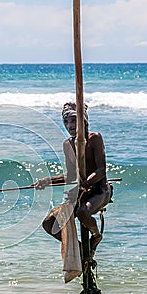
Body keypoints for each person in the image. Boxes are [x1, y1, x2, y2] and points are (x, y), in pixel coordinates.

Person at [35, 102, 112, 252]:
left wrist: (85, 183)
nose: (69, 125)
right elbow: (71, 175)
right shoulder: (68, 144)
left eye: (74, 120)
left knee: (82, 212)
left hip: (99, 191)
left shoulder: (94, 138)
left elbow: (101, 170)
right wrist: (47, 181)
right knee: (49, 223)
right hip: (81, 193)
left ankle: (95, 236)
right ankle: (80, 248)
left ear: (84, 120)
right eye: (66, 121)